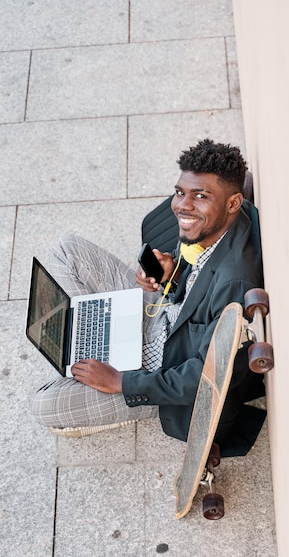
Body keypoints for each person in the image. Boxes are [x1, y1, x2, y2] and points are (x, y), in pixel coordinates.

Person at [31, 139, 265, 456]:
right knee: (67, 248)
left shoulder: (234, 282)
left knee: (43, 404)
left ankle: (109, 377)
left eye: (201, 197)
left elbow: (210, 376)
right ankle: (95, 340)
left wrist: (121, 383)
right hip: (160, 315)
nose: (183, 206)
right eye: (182, 191)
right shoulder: (218, 223)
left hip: (160, 373)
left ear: (233, 202)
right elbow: (194, 290)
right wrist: (172, 277)